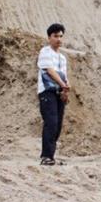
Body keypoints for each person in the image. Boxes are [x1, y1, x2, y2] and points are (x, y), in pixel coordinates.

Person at [37, 23, 69, 166]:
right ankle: (46, 156)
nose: (59, 39)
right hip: (47, 92)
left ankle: (51, 156)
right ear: (49, 37)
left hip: (58, 93)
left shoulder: (62, 58)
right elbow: (49, 70)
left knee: (58, 125)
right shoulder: (45, 52)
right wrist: (63, 85)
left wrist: (65, 91)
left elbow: (64, 76)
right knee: (51, 123)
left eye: (61, 36)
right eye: (55, 36)